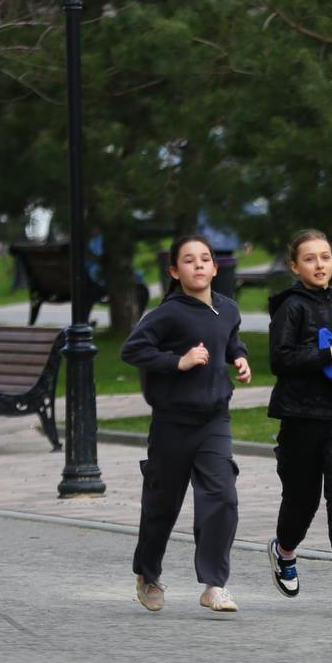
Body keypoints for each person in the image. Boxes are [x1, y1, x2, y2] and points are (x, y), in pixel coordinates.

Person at [121, 234, 252, 614]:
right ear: (175, 271)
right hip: (172, 422)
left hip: (214, 418)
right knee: (162, 505)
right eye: (189, 260)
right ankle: (148, 574)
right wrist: (177, 362)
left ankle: (214, 585)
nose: (198, 265)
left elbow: (230, 338)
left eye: (205, 259)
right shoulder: (168, 314)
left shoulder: (227, 309)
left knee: (222, 496)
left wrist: (239, 357)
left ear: (215, 268)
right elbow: (132, 349)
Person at [263, 229, 332, 616]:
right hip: (299, 418)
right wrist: (327, 354)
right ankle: (284, 550)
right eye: (309, 259)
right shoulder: (291, 307)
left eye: (325, 257)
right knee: (302, 500)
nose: (319, 265)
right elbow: (280, 360)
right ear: (295, 267)